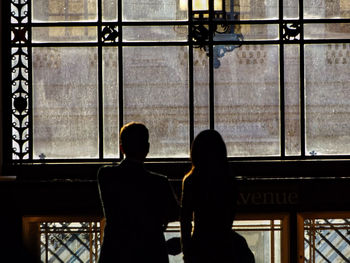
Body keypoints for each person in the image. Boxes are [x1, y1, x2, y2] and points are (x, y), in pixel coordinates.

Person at [97, 122, 179, 263]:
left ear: (121, 148)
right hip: (151, 253)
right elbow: (175, 213)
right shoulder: (160, 183)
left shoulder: (106, 175)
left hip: (115, 253)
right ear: (147, 148)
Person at [180, 129, 255, 263]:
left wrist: (187, 250)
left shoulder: (191, 180)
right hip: (225, 245)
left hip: (200, 245)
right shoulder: (228, 180)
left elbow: (185, 219)